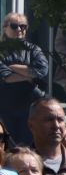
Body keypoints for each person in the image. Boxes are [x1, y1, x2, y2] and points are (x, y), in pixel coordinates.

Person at [0, 10, 50, 141]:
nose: (19, 29)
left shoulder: (33, 49)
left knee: (28, 146)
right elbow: (5, 76)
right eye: (14, 26)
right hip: (5, 105)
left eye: (23, 26)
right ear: (5, 28)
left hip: (29, 106)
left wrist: (13, 68)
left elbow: (42, 71)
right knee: (8, 146)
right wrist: (29, 75)